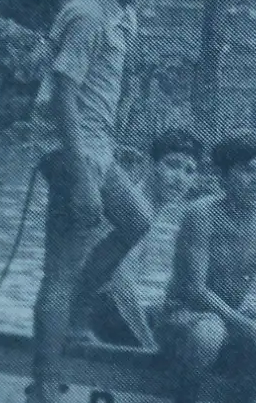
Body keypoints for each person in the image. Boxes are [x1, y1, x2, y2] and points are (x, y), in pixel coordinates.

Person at [24, 0, 166, 403]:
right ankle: (41, 391)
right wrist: (80, 171)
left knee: (137, 221)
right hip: (72, 148)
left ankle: (81, 310)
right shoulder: (88, 12)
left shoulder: (122, 12)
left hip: (97, 145)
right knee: (59, 270)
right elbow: (63, 92)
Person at [159, 132, 256, 403]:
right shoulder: (201, 214)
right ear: (223, 177)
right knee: (210, 333)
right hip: (183, 317)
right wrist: (253, 330)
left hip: (230, 316)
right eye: (247, 170)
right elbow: (195, 291)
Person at [85, 129, 204, 350]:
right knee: (187, 337)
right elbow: (117, 286)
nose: (180, 179)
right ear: (150, 164)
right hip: (92, 312)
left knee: (196, 320)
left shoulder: (151, 209)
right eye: (173, 165)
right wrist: (147, 342)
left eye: (189, 171)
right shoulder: (133, 210)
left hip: (106, 308)